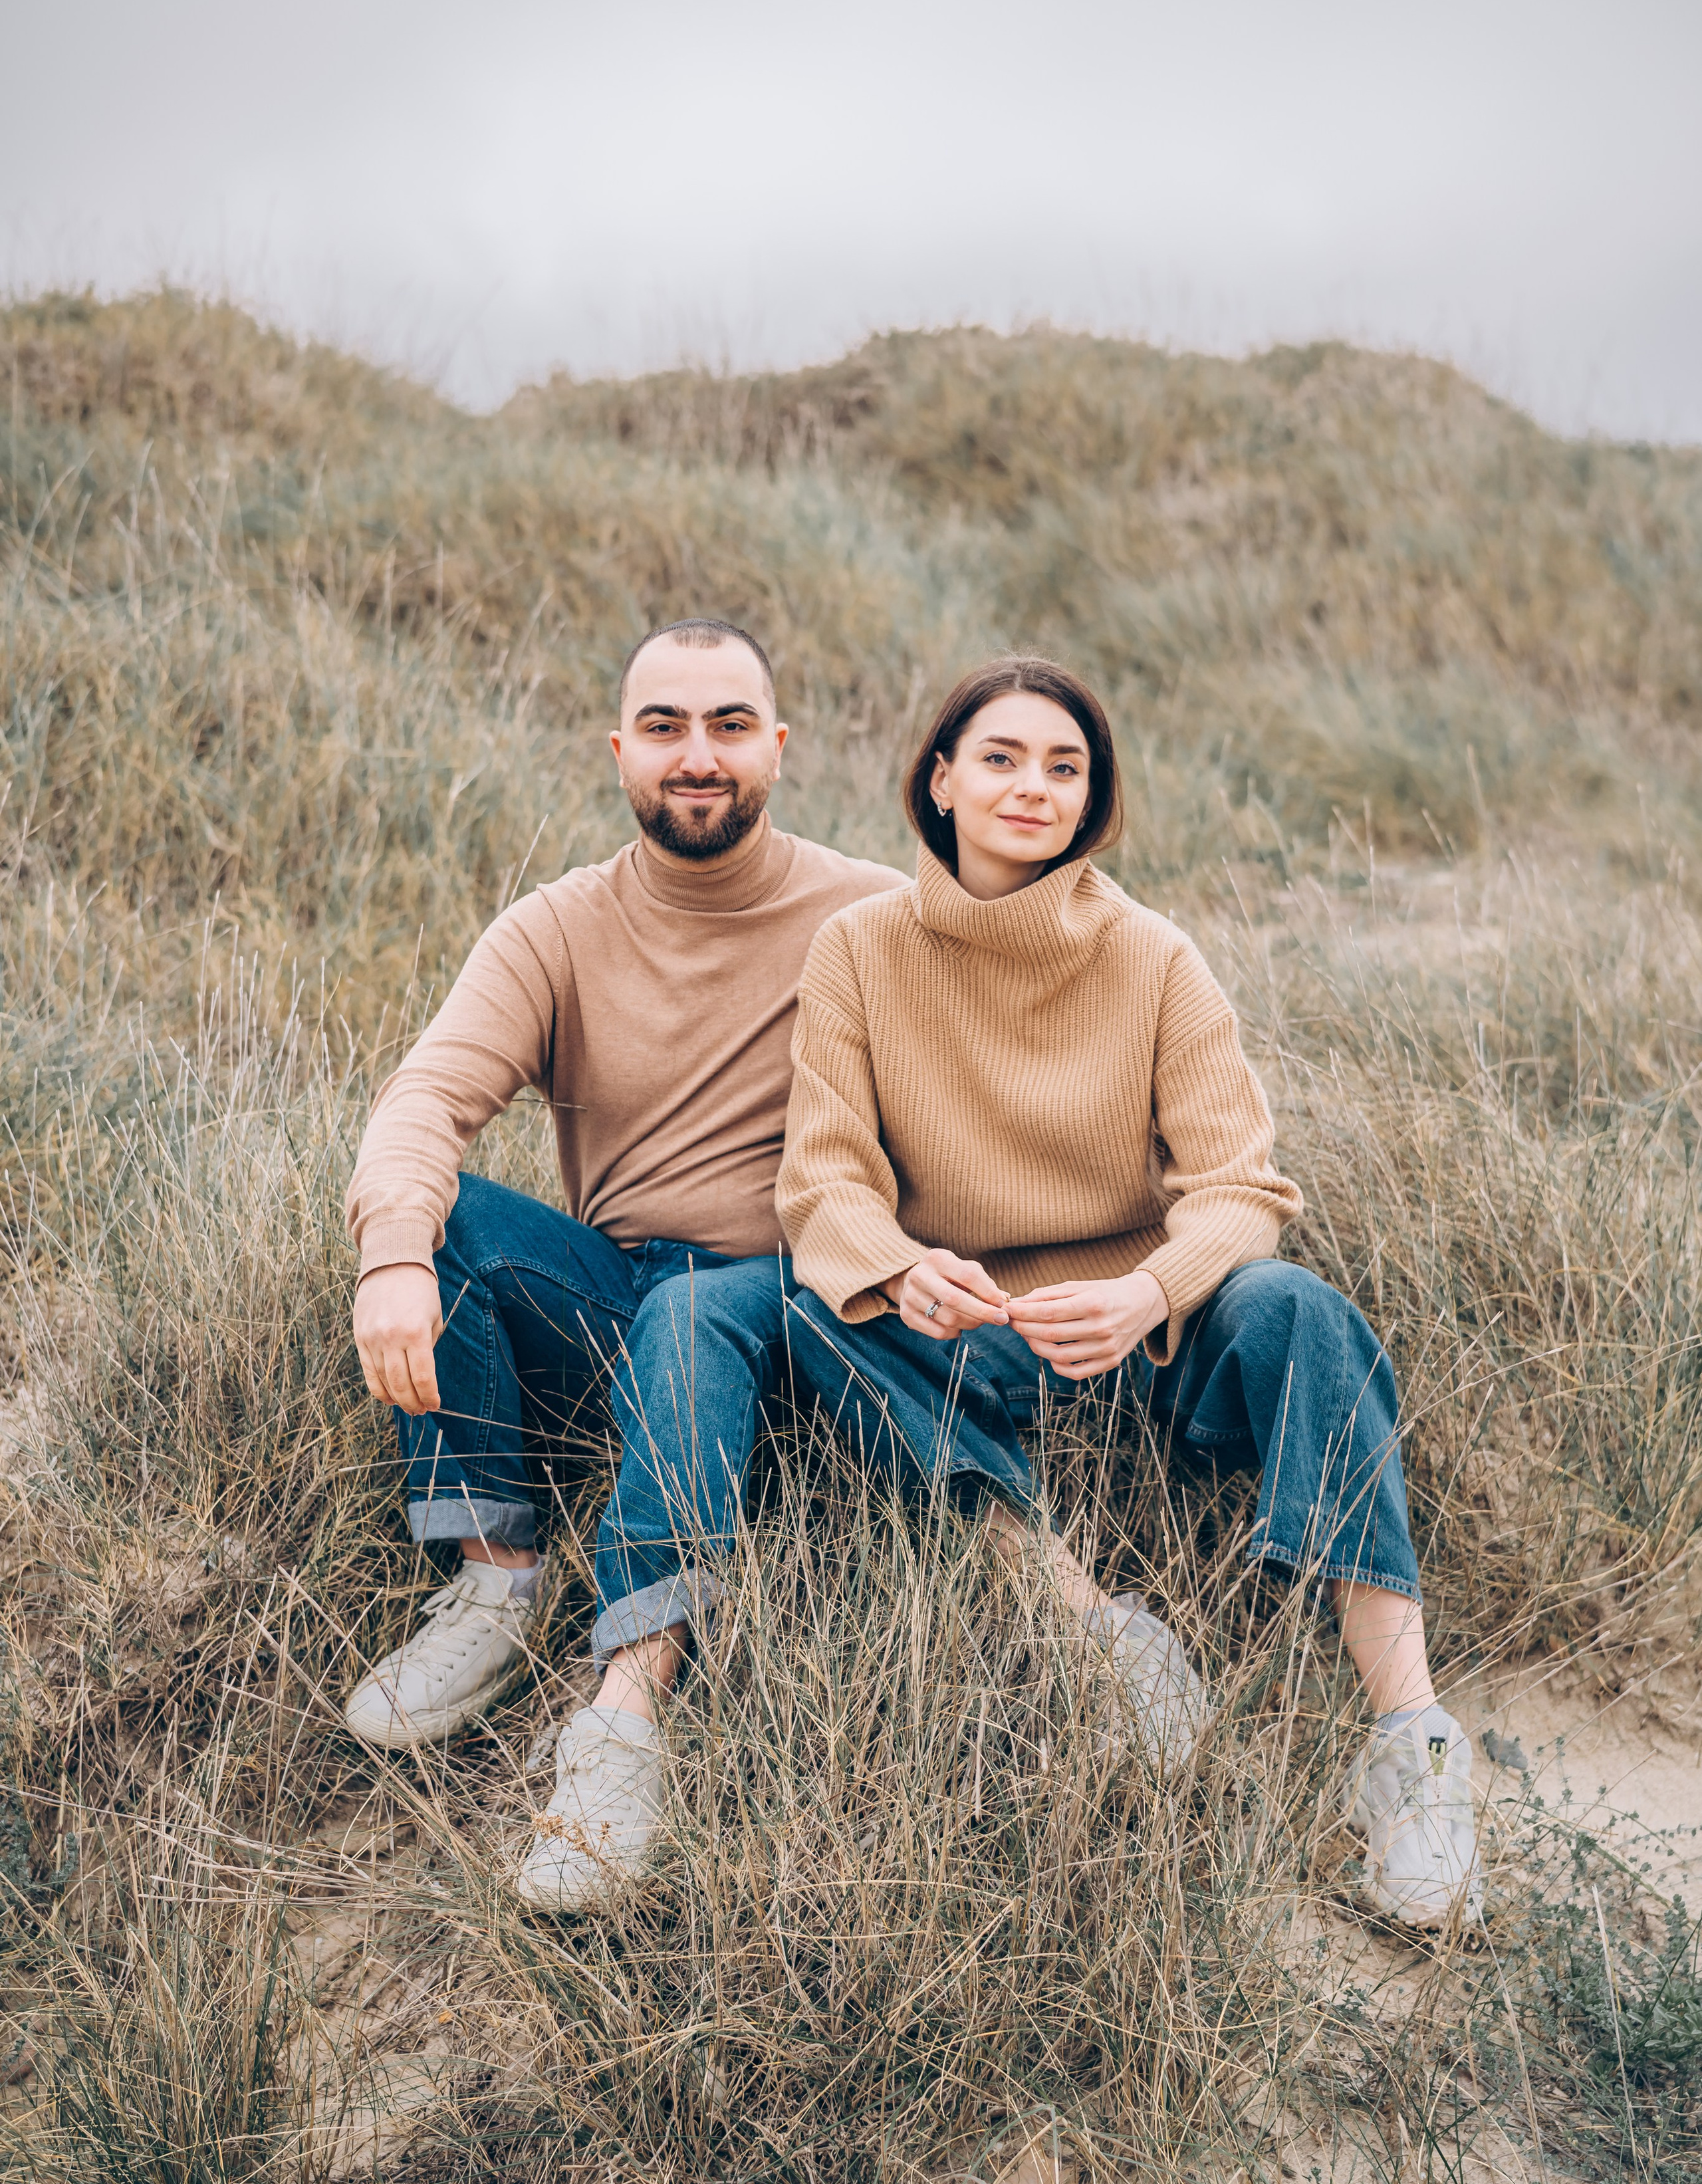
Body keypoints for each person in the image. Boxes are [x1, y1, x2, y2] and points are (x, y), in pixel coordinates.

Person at [773, 656, 1483, 1932]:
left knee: (1298, 1308)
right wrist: (901, 1267)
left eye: (1066, 767)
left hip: (1146, 1346)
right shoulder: (859, 950)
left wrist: (1150, 1295)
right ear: (940, 780)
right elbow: (822, 1178)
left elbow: (1242, 1185)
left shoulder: (1154, 955)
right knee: (811, 1299)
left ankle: (1412, 1745)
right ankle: (1097, 1628)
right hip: (969, 1343)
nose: (1033, 787)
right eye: (1001, 758)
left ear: (1092, 799)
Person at [343, 617, 903, 1912]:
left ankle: (623, 1715)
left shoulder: (873, 914)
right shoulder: (557, 928)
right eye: (664, 727)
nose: (696, 754)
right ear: (619, 752)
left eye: (727, 725)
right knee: (448, 1220)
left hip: (796, 1322)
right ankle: (496, 1583)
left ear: (776, 747)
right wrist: (391, 1259)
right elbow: (423, 1101)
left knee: (700, 1307)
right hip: (620, 1294)